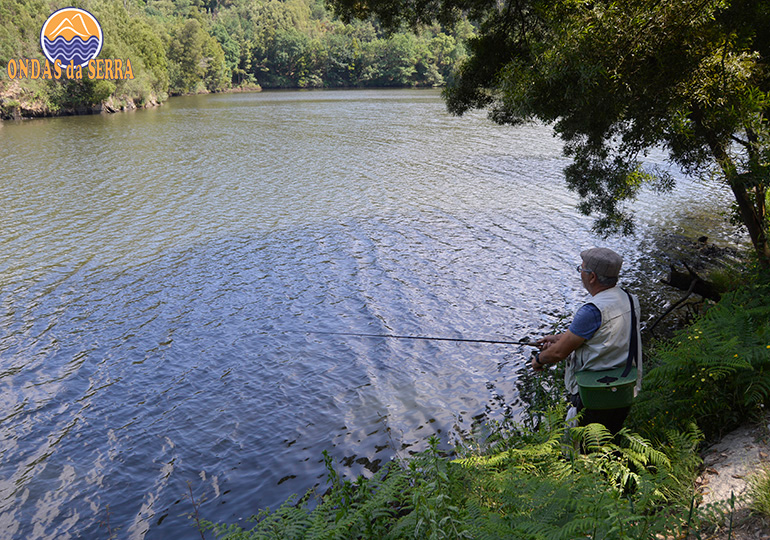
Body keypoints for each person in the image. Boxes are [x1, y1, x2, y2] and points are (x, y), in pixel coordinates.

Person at [531, 247, 642, 434]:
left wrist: (539, 359)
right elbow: (601, 335)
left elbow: (559, 353)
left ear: (592, 277)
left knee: (583, 446)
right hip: (623, 389)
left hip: (593, 394)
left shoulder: (592, 310)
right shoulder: (629, 299)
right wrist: (559, 338)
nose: (580, 273)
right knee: (610, 438)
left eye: (581, 269)